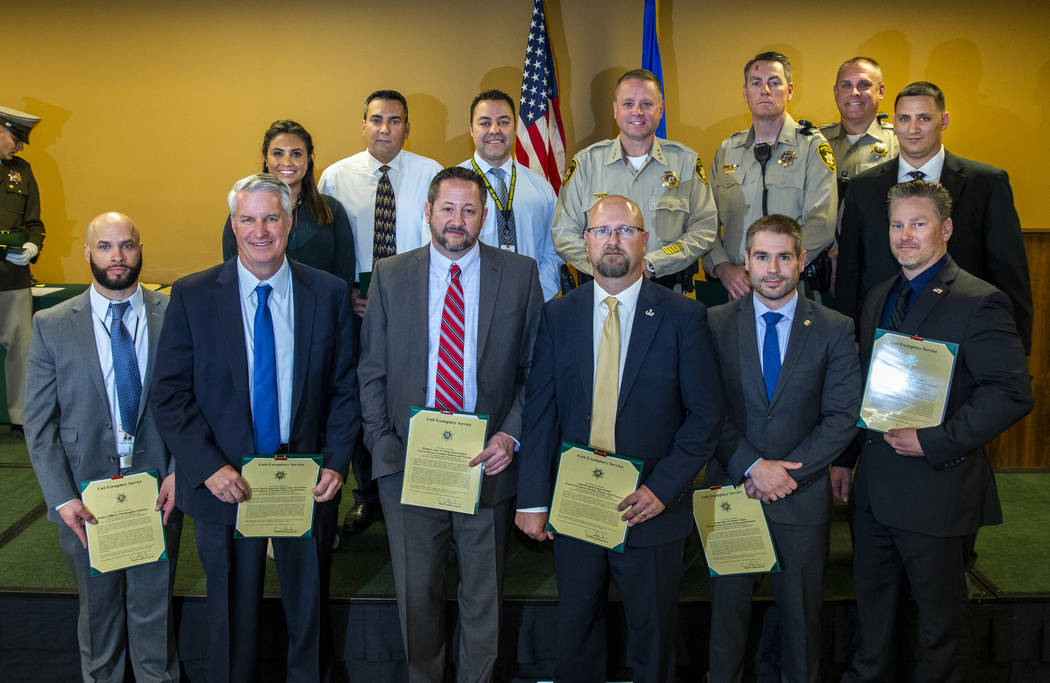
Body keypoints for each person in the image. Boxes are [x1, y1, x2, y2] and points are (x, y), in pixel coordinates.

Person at [152, 174, 359, 683]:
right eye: (248, 218)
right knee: (230, 620)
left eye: (272, 217)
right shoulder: (194, 295)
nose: (260, 230)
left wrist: (336, 460)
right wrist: (208, 468)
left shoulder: (328, 293)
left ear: (290, 224)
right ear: (234, 224)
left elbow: (346, 387)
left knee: (308, 619)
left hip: (305, 483)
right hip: (226, 485)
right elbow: (170, 394)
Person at [516, 195, 722, 683]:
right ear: (584, 241)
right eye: (601, 231)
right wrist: (531, 500)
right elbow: (540, 414)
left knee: (653, 640)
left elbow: (705, 417)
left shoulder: (682, 316)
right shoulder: (558, 315)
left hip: (648, 505)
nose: (613, 241)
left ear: (645, 240)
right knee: (577, 633)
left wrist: (662, 489)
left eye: (625, 231)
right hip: (576, 503)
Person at [833, 180, 1032, 682]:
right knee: (872, 626)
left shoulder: (980, 300)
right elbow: (869, 387)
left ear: (945, 229)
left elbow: (1010, 393)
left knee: (940, 633)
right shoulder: (880, 295)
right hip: (874, 493)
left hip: (937, 493)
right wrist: (847, 457)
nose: (905, 235)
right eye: (897, 225)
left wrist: (933, 441)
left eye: (918, 224)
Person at [358, 166, 543, 682]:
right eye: (447, 208)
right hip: (409, 466)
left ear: (484, 215)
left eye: (468, 210)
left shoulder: (520, 274)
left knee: (483, 598)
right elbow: (371, 370)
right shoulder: (391, 275)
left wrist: (511, 435)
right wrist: (384, 446)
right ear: (428, 211)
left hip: (487, 463)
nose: (457, 220)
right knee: (417, 597)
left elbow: (535, 372)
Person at [24, 212, 182, 682]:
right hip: (83, 497)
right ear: (88, 253)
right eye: (106, 246)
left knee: (155, 613)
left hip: (157, 490)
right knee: (98, 617)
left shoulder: (172, 314)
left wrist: (177, 471)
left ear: (140, 249)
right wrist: (62, 497)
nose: (117, 257)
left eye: (127, 245)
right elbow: (38, 423)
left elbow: (192, 402)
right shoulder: (51, 324)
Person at [704, 214, 861, 683]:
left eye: (784, 257)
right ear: (745, 263)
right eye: (762, 257)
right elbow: (704, 410)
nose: (773, 269)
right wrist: (753, 466)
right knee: (726, 627)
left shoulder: (834, 327)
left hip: (801, 497)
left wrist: (786, 473)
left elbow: (842, 416)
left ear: (802, 260)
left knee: (802, 626)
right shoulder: (711, 323)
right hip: (732, 492)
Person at [319, 89, 441, 534]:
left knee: (410, 392)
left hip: (417, 306)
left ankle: (419, 485)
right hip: (355, 308)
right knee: (360, 396)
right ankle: (367, 495)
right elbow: (325, 247)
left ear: (407, 127)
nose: (385, 128)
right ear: (363, 124)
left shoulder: (431, 172)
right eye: (376, 119)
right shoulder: (334, 177)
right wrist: (345, 293)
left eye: (394, 120)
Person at [834, 81, 1033, 353]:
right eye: (904, 118)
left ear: (944, 120)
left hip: (962, 332)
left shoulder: (986, 184)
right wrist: (847, 343)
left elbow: (1009, 273)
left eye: (924, 118)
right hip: (883, 333)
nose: (913, 129)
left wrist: (1016, 348)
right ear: (894, 122)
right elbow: (850, 272)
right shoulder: (862, 187)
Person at [550, 69, 717, 293]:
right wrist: (608, 265)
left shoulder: (685, 162)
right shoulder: (586, 165)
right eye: (628, 104)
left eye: (647, 104)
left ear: (661, 109)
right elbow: (563, 233)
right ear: (615, 110)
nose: (637, 112)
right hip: (601, 292)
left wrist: (654, 262)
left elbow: (704, 228)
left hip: (668, 290)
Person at [702, 52, 837, 301]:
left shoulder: (812, 147)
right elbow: (706, 221)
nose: (765, 90)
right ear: (745, 93)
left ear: (790, 90)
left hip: (792, 289)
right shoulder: (726, 150)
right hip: (736, 289)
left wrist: (773, 269)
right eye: (756, 83)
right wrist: (722, 267)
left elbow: (822, 225)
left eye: (774, 82)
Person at [221, 119, 355, 286]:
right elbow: (233, 269)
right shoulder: (245, 209)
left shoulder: (331, 210)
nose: (287, 162)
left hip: (323, 307)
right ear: (265, 158)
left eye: (296, 154)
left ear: (308, 159)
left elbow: (344, 273)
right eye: (278, 153)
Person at [458, 89, 562, 300]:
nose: (494, 130)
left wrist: (535, 295)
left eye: (503, 122)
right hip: (470, 303)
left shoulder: (541, 189)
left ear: (515, 128)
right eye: (485, 123)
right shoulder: (451, 186)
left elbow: (554, 251)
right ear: (471, 129)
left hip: (531, 302)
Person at [0, 105, 44, 438]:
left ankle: (19, 417)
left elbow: (33, 222)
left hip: (13, 277)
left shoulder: (22, 171)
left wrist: (32, 245)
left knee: (22, 347)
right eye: (16, 137)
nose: (21, 146)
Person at [819, 57, 898, 201]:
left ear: (880, 91)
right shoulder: (816, 141)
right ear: (836, 92)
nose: (854, 92)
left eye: (864, 84)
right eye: (846, 85)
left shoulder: (899, 142)